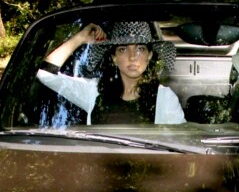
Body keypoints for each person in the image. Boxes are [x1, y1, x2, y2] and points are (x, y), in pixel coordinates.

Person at [36, 21, 185, 125]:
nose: (132, 56)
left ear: (150, 55)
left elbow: (177, 145)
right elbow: (45, 73)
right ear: (114, 58)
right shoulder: (93, 91)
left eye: (140, 48)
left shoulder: (165, 97)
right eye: (123, 49)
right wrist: (80, 38)